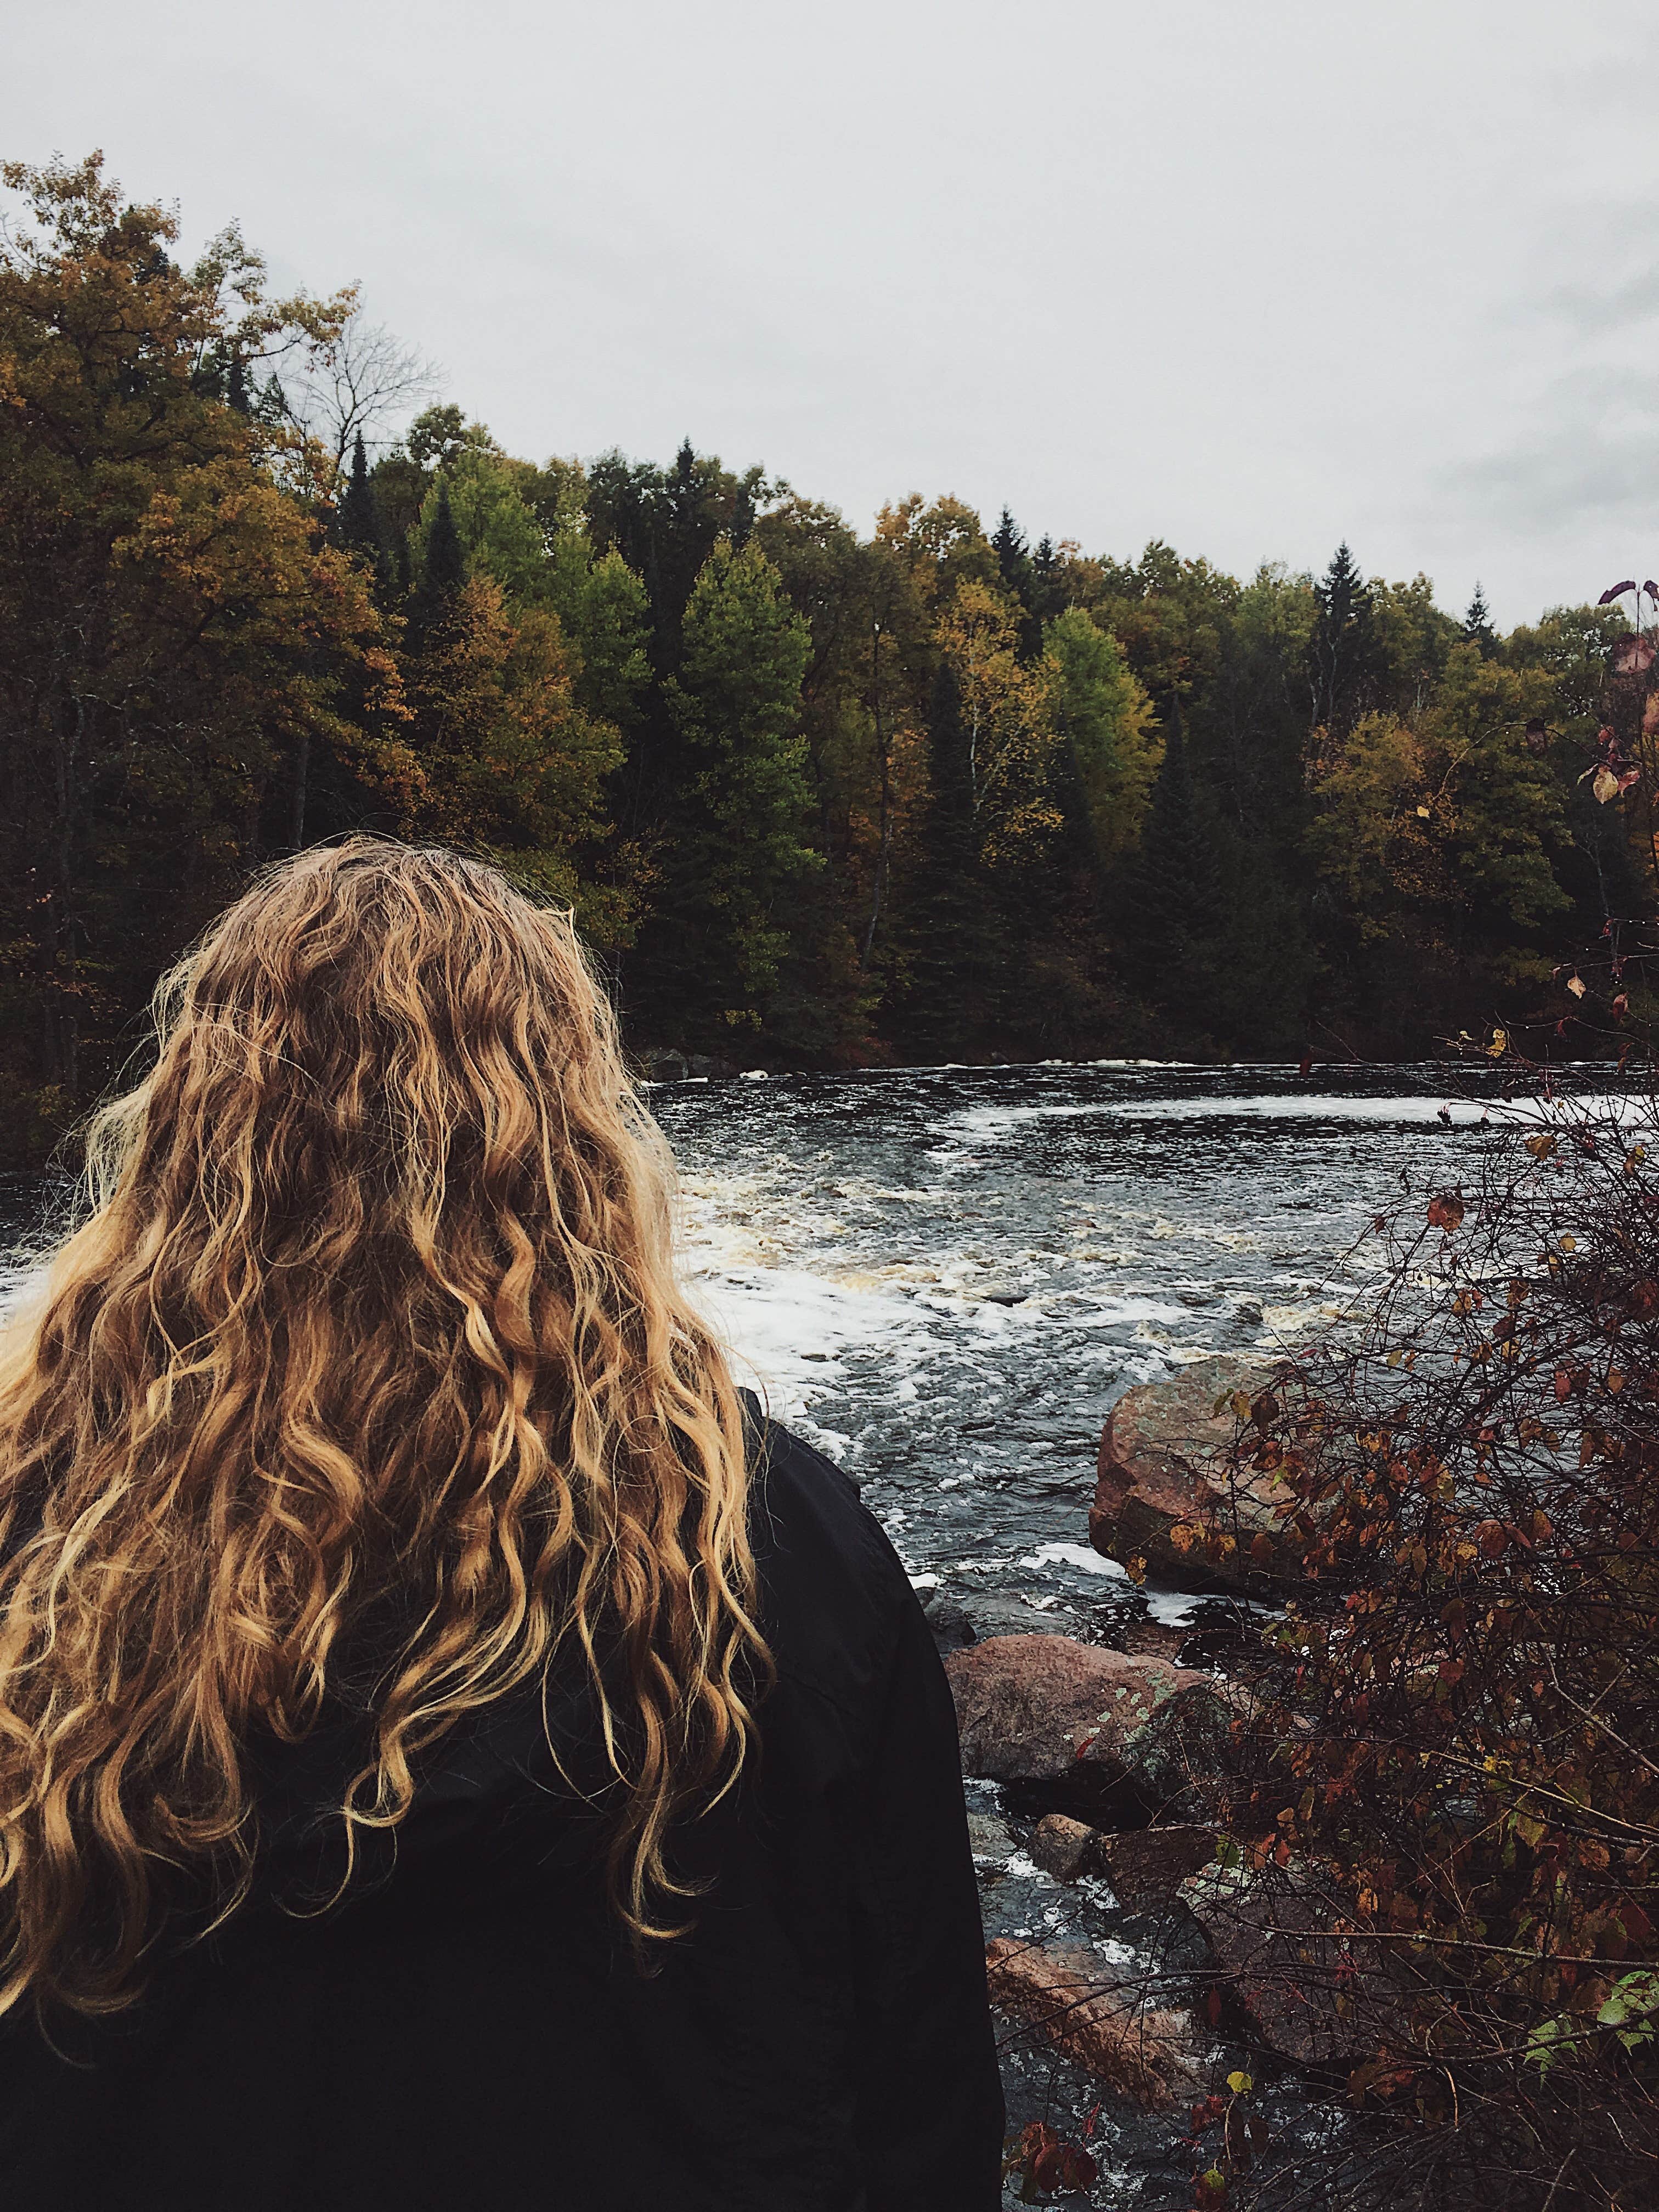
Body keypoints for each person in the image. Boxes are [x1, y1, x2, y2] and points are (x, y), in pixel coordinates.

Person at [0, 840, 1003, 2210]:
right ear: (576, 1138)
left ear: (192, 1133)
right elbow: (923, 2092)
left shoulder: (36, 1531)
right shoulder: (774, 1546)